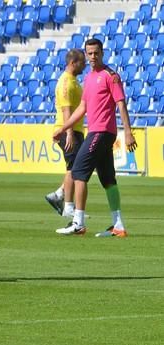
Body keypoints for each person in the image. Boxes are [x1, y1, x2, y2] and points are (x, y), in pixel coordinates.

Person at [53, 38, 137, 237]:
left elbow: (121, 104)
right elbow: (82, 108)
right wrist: (64, 128)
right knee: (108, 179)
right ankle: (119, 226)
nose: (92, 56)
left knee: (78, 172)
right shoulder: (89, 78)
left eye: (96, 53)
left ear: (102, 52)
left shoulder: (111, 76)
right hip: (97, 132)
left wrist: (128, 132)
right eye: (89, 53)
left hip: (102, 131)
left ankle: (78, 222)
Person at [45, 49, 86, 218]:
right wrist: (68, 132)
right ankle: (68, 206)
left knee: (77, 167)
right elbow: (65, 110)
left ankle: (59, 195)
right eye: (82, 62)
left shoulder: (74, 81)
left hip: (75, 129)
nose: (84, 65)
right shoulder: (65, 83)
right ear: (72, 63)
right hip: (68, 130)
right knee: (74, 168)